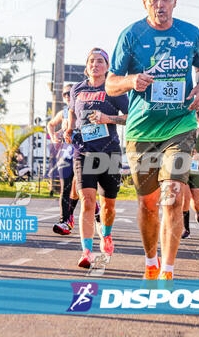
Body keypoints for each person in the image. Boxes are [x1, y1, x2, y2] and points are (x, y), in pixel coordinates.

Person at [105, 0, 199, 280]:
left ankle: (168, 270)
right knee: (148, 204)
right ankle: (151, 260)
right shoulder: (131, 35)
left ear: (175, 1)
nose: (160, 4)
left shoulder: (190, 33)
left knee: (174, 194)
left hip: (180, 125)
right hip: (141, 130)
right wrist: (131, 80)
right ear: (145, 2)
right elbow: (111, 84)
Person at [64, 48, 129, 268]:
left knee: (108, 206)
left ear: (107, 66)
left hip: (110, 151)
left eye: (100, 61)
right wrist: (68, 127)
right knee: (88, 201)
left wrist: (107, 118)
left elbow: (130, 118)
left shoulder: (114, 89)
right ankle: (86, 252)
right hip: (83, 151)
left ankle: (107, 234)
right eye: (91, 61)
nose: (95, 64)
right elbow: (72, 112)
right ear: (86, 66)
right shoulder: (77, 89)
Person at [47, 83, 79, 235]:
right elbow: (50, 124)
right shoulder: (63, 112)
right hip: (66, 155)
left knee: (79, 188)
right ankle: (64, 220)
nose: (67, 96)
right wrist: (54, 137)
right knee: (65, 188)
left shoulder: (83, 109)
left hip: (82, 153)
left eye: (70, 93)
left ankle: (91, 210)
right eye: (65, 94)